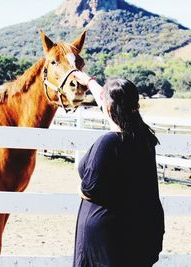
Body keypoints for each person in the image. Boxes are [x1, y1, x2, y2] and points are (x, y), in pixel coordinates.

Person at [72, 72, 165, 267]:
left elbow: (90, 190)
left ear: (107, 107)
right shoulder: (144, 139)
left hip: (105, 238)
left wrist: (79, 189)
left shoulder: (109, 142)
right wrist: (88, 81)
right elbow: (109, 99)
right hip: (133, 230)